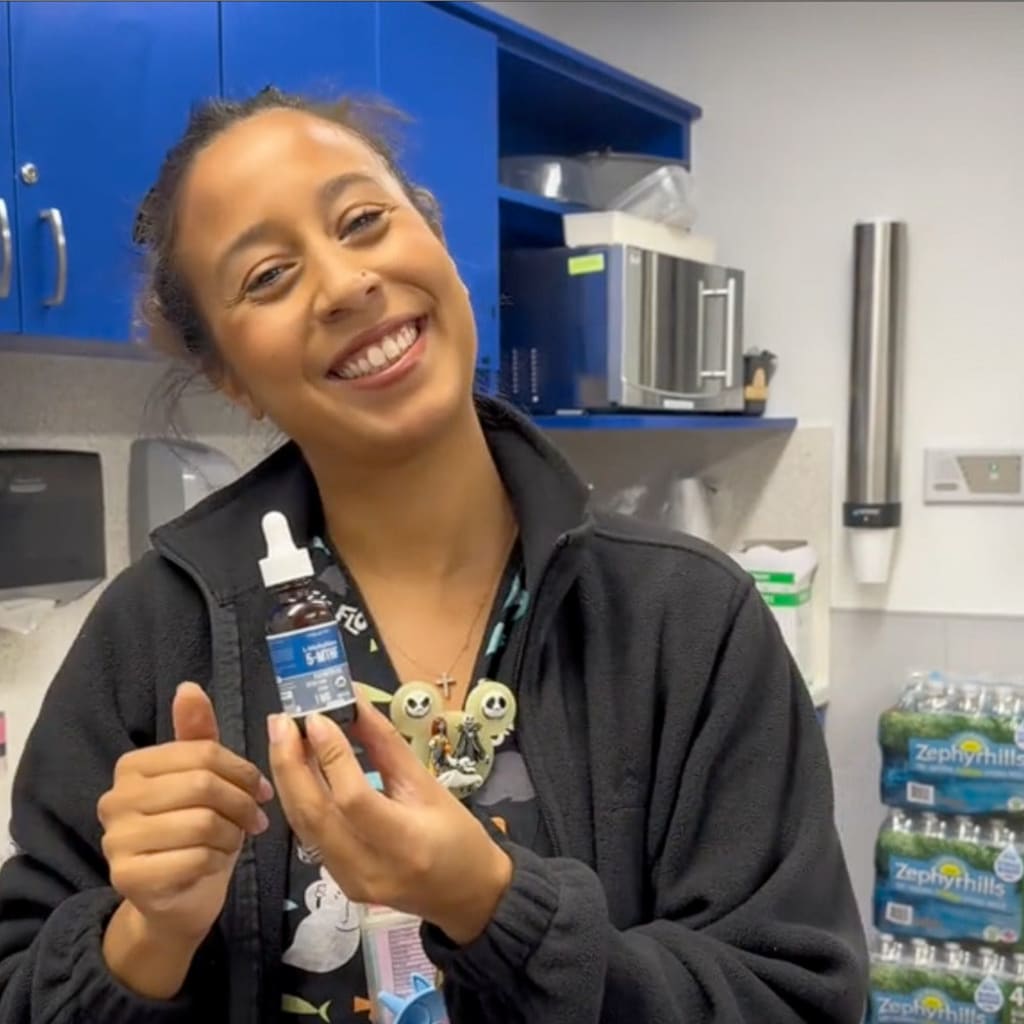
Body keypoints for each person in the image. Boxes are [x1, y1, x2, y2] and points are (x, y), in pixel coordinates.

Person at [0, 88, 868, 1023]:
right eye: (268, 276)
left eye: (363, 221)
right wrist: (149, 939)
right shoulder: (155, 634)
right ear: (231, 377)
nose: (344, 285)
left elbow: (796, 998)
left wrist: (495, 906)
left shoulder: (686, 620)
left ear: (437, 236)